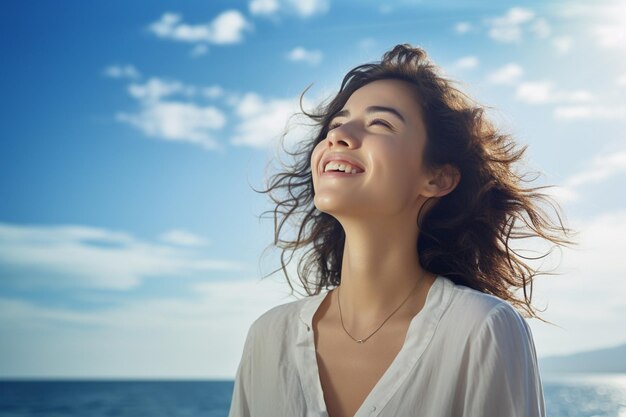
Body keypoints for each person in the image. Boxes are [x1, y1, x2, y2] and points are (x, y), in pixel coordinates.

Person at [228, 44, 575, 417]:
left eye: (380, 123)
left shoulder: (480, 329)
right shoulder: (268, 337)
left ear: (438, 177)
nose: (338, 135)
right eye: (335, 123)